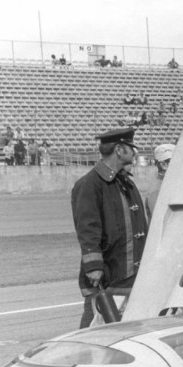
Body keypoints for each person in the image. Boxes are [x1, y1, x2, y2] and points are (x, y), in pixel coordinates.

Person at [71, 128, 149, 328]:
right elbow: (87, 228)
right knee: (95, 326)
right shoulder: (89, 184)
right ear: (119, 150)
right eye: (131, 148)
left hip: (130, 271)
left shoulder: (126, 182)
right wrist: (93, 266)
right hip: (107, 273)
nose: (135, 152)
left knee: (125, 327)